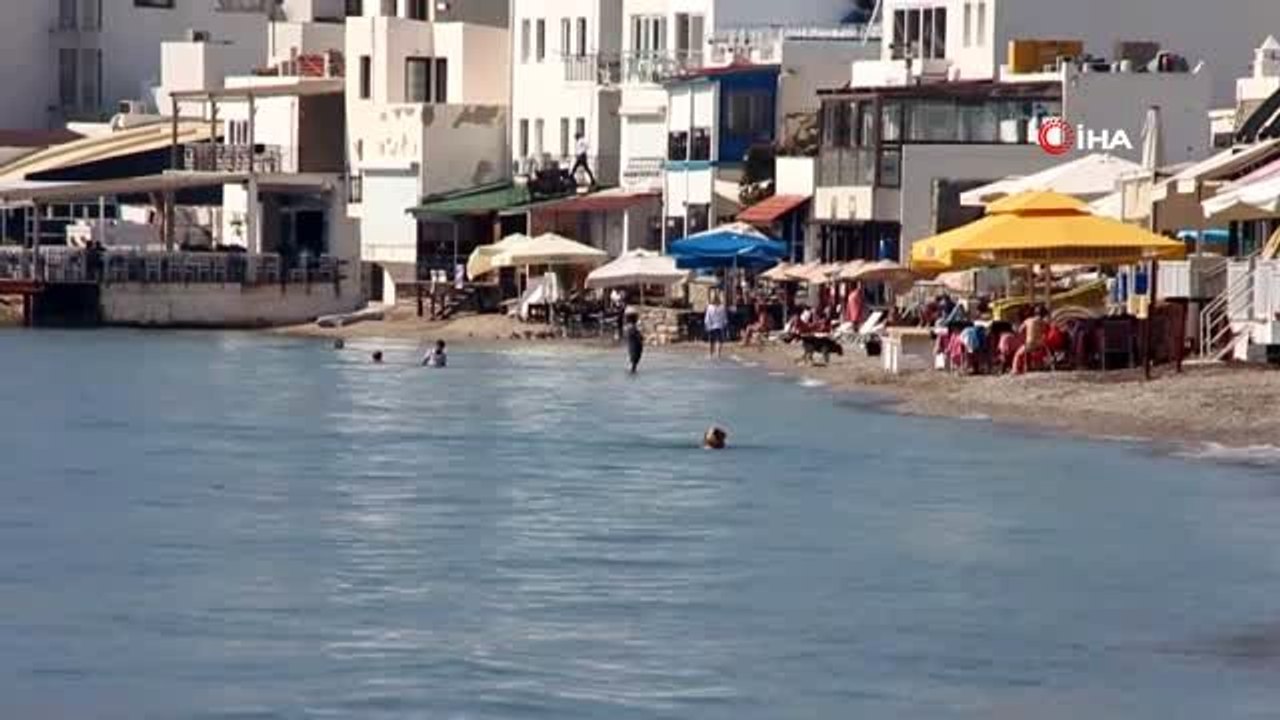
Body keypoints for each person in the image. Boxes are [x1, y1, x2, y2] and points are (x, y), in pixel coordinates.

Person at [1013, 305, 1050, 374]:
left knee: (1017, 354)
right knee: (1037, 351)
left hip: (1030, 343)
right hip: (1040, 344)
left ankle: (1015, 370)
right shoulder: (1044, 323)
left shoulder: (1028, 320)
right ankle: (1036, 365)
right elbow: (1046, 332)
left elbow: (1020, 330)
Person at [704, 292, 729, 359]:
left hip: (712, 326)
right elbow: (724, 317)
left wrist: (707, 325)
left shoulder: (709, 307)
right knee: (719, 340)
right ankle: (718, 354)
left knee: (711, 341)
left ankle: (710, 354)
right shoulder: (722, 307)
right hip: (720, 326)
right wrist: (725, 323)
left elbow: (707, 317)